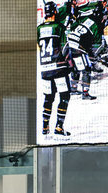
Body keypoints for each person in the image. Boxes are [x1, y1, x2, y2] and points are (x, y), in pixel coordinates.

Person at [38, 2, 73, 136]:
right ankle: (59, 127)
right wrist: (71, 65)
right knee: (64, 96)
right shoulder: (59, 27)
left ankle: (45, 128)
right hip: (59, 69)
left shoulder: (38, 28)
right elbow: (65, 48)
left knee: (48, 97)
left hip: (45, 70)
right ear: (55, 12)